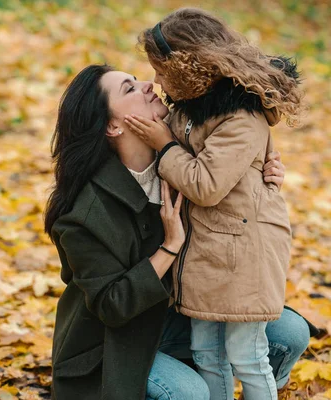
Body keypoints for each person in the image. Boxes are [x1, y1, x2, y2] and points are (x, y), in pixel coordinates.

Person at [45, 65, 314, 400]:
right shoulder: (84, 213)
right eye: (129, 89)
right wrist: (170, 246)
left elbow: (228, 193)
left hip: (176, 319)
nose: (148, 85)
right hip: (111, 344)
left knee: (289, 332)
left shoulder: (183, 164)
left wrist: (260, 176)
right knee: (189, 392)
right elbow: (113, 307)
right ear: (113, 125)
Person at [123, 8, 305, 400]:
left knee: (247, 354)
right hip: (206, 255)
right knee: (206, 351)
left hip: (244, 255)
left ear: (187, 66)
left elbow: (205, 185)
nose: (155, 81)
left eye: (160, 70)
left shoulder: (241, 115)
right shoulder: (189, 109)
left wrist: (164, 145)